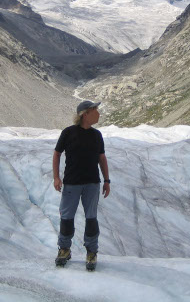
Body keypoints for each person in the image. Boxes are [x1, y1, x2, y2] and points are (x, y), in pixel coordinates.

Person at [53, 100, 110, 271]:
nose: (98, 113)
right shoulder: (68, 133)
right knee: (67, 217)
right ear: (85, 114)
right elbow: (57, 154)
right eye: (95, 110)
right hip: (72, 182)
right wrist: (56, 177)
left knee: (91, 218)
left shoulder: (97, 135)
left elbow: (102, 158)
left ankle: (91, 251)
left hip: (92, 183)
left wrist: (106, 180)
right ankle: (64, 249)